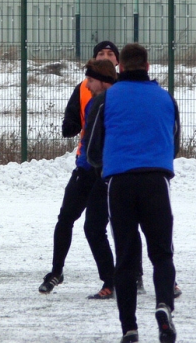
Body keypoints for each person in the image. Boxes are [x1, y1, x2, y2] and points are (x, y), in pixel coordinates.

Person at [38, 41, 147, 298]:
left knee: (115, 226)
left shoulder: (124, 91)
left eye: (111, 54)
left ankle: (128, 277)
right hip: (86, 166)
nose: (106, 57)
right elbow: (71, 124)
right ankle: (57, 272)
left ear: (118, 62)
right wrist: (73, 123)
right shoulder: (85, 89)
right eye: (101, 53)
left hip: (109, 171)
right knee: (66, 219)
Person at [87, 43, 180, 343]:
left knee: (126, 258)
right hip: (156, 180)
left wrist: (107, 167)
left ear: (120, 68)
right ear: (148, 66)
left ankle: (129, 327)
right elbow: (175, 142)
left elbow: (91, 149)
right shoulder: (166, 98)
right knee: (162, 253)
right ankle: (164, 305)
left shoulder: (106, 98)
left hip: (120, 183)